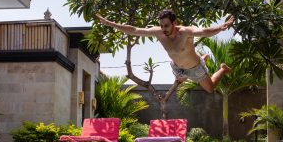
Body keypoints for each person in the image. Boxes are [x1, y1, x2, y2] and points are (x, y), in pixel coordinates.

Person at [96, 10, 234, 93]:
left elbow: (204, 31)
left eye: (167, 26)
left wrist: (221, 27)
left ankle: (222, 69)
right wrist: (111, 24)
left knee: (210, 89)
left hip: (194, 68)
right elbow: (135, 30)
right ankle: (202, 59)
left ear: (174, 23)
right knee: (180, 80)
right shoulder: (159, 32)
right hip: (177, 66)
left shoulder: (186, 32)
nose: (163, 29)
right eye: (161, 26)